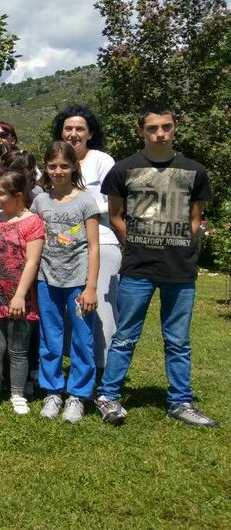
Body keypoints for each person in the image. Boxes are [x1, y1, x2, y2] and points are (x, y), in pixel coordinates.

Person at [95, 102, 218, 428]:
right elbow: (116, 217)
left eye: (166, 127)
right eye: (152, 128)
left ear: (175, 127)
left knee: (178, 340)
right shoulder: (123, 170)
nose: (160, 133)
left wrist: (181, 246)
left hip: (180, 269)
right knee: (125, 335)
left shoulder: (195, 171)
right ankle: (108, 396)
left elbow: (195, 219)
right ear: (141, 131)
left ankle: (180, 401)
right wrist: (134, 245)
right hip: (139, 267)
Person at [32, 142, 100, 423]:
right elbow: (30, 234)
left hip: (78, 282)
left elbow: (93, 246)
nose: (58, 171)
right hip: (46, 280)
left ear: (74, 167)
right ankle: (52, 391)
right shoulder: (40, 201)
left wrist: (91, 286)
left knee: (82, 339)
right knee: (50, 338)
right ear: (45, 168)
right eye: (52, 166)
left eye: (64, 166)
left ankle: (78, 395)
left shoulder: (86, 201)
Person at [51, 104, 121, 371]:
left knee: (100, 308)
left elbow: (113, 203)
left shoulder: (102, 161)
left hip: (100, 240)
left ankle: (103, 371)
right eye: (68, 128)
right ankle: (77, 366)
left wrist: (77, 208)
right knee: (67, 311)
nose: (73, 134)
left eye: (80, 129)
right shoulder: (56, 161)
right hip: (63, 245)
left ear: (90, 133)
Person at [0, 170, 45, 416]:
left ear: (18, 195)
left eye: (0, 193)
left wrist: (20, 295)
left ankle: (17, 393)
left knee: (18, 349)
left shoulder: (32, 222)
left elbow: (32, 261)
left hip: (20, 296)